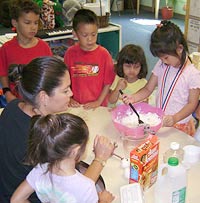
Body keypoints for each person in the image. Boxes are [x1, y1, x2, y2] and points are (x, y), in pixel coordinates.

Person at [0, 56, 116, 203]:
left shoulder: (13, 106)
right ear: (43, 97)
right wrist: (100, 159)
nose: (71, 94)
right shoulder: (40, 139)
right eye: (65, 90)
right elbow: (74, 192)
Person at [10, 113, 115, 203]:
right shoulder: (86, 187)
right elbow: (80, 188)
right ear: (75, 151)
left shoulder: (41, 168)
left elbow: (16, 200)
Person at [122, 20, 200, 136]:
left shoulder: (192, 74)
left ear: (179, 48)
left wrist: (175, 118)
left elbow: (192, 104)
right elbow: (148, 89)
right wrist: (134, 97)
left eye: (166, 57)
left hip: (180, 125)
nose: (163, 61)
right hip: (161, 121)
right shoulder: (162, 64)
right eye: (161, 58)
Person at [0, 0, 52, 103]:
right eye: (27, 23)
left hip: (39, 102)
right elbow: (3, 74)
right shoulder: (6, 49)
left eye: (36, 22)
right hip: (16, 101)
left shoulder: (44, 47)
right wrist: (7, 92)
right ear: (15, 22)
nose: (33, 27)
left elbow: (50, 75)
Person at [64, 9, 115, 109]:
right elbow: (64, 80)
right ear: (75, 33)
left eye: (93, 34)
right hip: (76, 106)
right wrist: (69, 98)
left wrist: (98, 101)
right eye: (85, 35)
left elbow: (108, 83)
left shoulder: (104, 54)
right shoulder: (70, 53)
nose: (90, 39)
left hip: (98, 106)